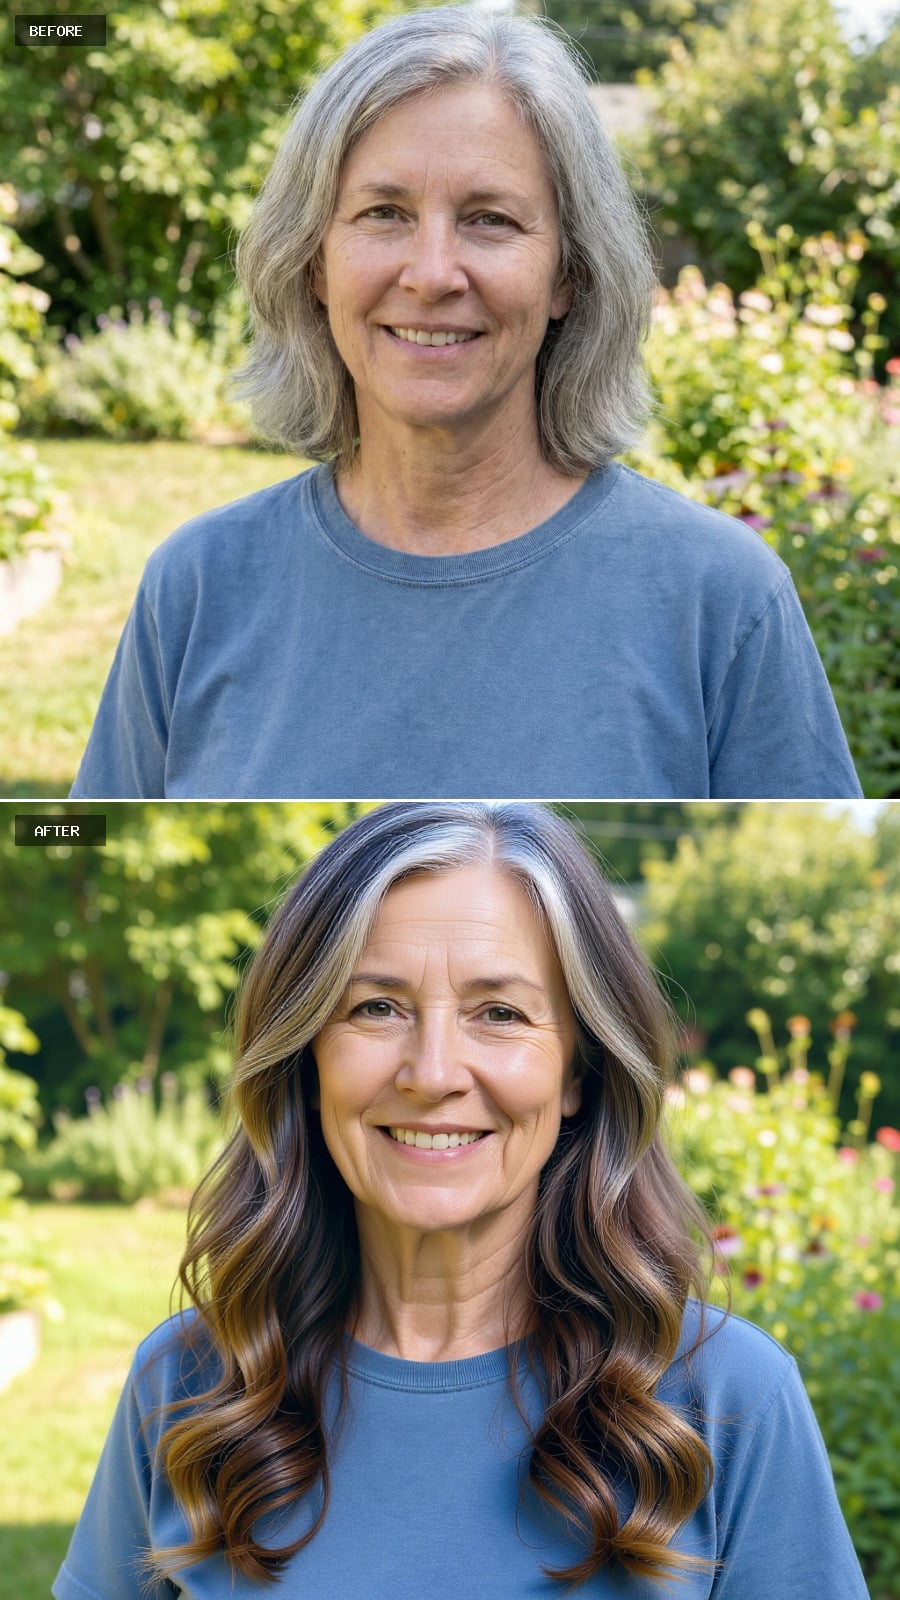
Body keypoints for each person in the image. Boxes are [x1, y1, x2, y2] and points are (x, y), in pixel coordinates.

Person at [53, 802, 869, 1598]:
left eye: (500, 1014)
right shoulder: (188, 1384)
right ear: (305, 1060)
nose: (434, 1072)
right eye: (376, 1008)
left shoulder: (727, 1399)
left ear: (579, 1072)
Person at [69, 7, 861, 800]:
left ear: (568, 275)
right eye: (385, 213)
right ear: (313, 262)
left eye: (491, 219)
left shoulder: (720, 601)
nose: (433, 272)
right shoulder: (199, 586)